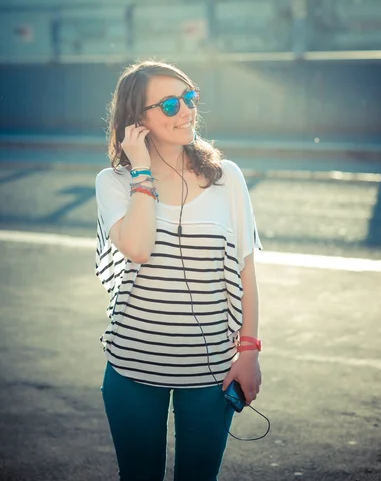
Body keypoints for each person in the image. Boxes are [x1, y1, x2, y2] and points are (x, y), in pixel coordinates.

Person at [95, 60, 262, 481]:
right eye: (169, 104)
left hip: (212, 372)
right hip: (132, 365)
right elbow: (138, 246)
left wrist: (249, 352)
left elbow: (246, 275)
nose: (186, 111)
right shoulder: (113, 183)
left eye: (190, 98)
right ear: (137, 120)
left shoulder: (228, 178)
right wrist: (142, 173)